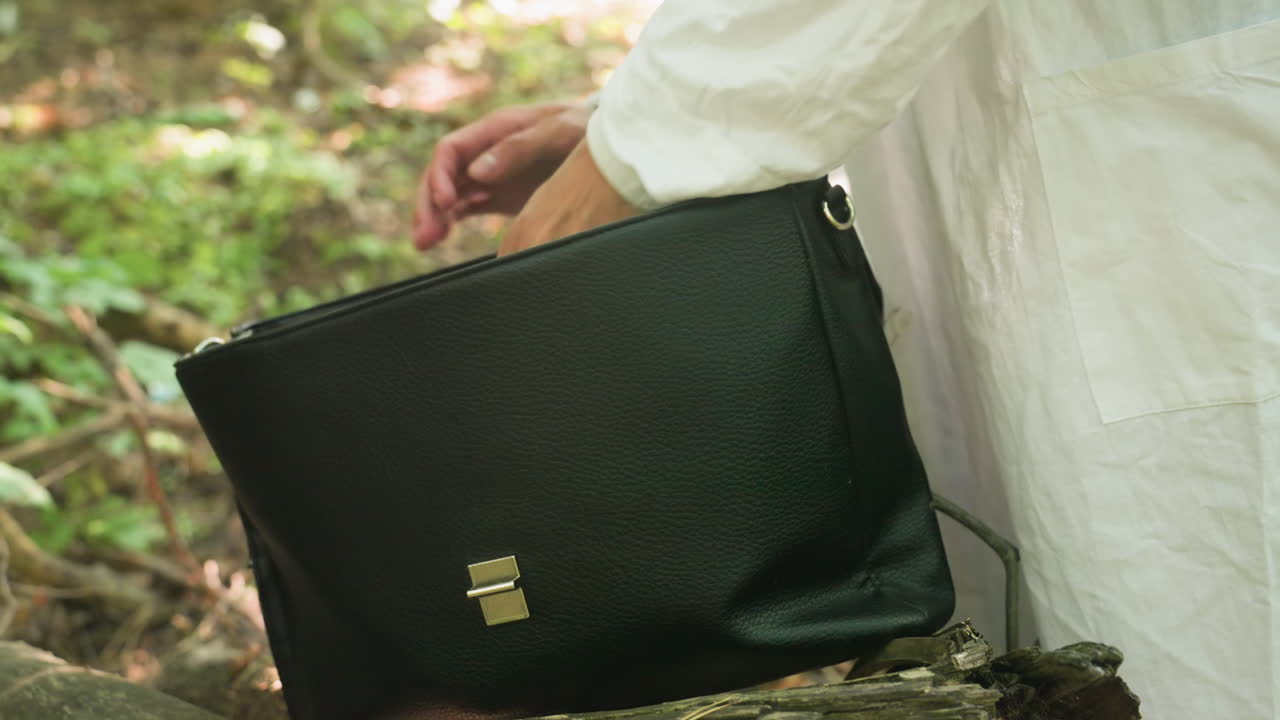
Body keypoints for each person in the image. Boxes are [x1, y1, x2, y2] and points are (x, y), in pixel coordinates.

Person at [415, 2, 1280, 718]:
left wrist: (636, 152)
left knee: (1187, 640)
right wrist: (629, 124)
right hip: (1046, 146)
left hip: (1166, 192)